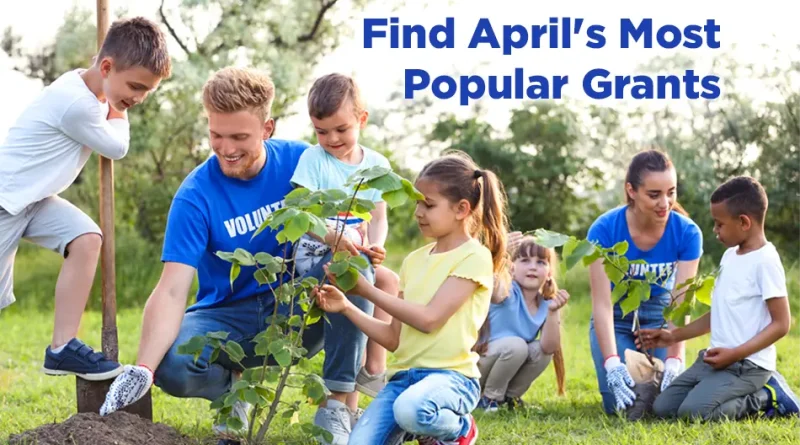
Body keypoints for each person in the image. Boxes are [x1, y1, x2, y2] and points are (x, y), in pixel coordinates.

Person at [98, 67, 377, 445]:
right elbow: (171, 290)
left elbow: (356, 215)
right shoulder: (195, 195)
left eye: (240, 136)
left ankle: (337, 406)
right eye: (216, 135)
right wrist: (144, 368)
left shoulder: (304, 162)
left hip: (298, 308)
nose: (226, 148)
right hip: (228, 314)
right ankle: (235, 391)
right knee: (173, 363)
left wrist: (363, 243)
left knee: (352, 269)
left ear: (267, 128)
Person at [0, 17, 170, 380]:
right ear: (106, 66)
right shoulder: (75, 103)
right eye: (135, 86)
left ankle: (61, 348)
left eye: (146, 92)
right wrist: (118, 108)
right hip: (5, 202)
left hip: (34, 200)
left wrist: (115, 97)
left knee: (86, 238)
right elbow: (117, 146)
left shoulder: (88, 87)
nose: (138, 98)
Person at [315, 152, 508, 445]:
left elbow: (429, 320)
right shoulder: (414, 261)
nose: (418, 212)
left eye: (428, 204)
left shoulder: (474, 256)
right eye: (418, 202)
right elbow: (394, 339)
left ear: (461, 209)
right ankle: (418, 425)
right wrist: (346, 306)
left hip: (452, 379)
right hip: (403, 382)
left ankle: (459, 429)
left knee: (411, 410)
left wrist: (366, 290)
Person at [639, 176, 799, 420]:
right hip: (716, 360)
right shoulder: (729, 257)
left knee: (693, 413)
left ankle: (767, 395)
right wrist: (673, 336)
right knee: (663, 408)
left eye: (719, 224)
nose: (715, 231)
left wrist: (735, 354)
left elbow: (782, 324)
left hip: (748, 366)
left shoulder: (766, 262)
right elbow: (719, 314)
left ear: (744, 222)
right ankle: (724, 386)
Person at [290, 73, 400, 400]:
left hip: (356, 251)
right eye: (322, 132)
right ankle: (348, 389)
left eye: (341, 130)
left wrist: (377, 244)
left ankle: (373, 369)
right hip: (315, 250)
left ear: (361, 120)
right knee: (355, 259)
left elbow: (378, 217)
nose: (332, 139)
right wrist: (332, 235)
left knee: (390, 282)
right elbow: (302, 215)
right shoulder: (314, 159)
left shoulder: (377, 165)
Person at [587, 150, 703, 414]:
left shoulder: (687, 233)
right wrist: (613, 364)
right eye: (654, 195)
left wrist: (675, 358)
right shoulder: (604, 230)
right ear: (631, 191)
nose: (665, 202)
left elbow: (680, 301)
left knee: (666, 404)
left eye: (671, 192)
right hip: (616, 317)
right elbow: (602, 304)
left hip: (660, 321)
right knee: (621, 407)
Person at [474, 234, 569, 412]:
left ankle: (509, 398)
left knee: (540, 351)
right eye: (525, 260)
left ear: (549, 272)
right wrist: (501, 254)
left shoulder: (545, 303)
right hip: (479, 366)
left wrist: (553, 311)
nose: (533, 267)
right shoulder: (506, 289)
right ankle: (488, 399)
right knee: (517, 346)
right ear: (512, 266)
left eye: (541, 262)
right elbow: (495, 288)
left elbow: (550, 348)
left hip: (504, 363)